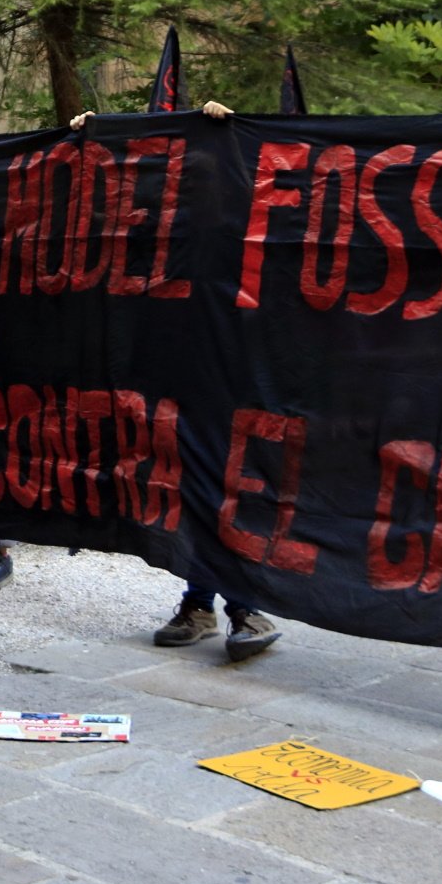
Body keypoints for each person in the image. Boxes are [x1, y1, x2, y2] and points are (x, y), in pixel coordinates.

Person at [72, 98, 283, 662]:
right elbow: (107, 213)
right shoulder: (164, 230)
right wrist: (93, 141)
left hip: (237, 379)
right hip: (172, 377)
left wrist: (228, 130)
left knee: (227, 494)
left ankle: (238, 607)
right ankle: (202, 604)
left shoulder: (245, 224)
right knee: (191, 493)